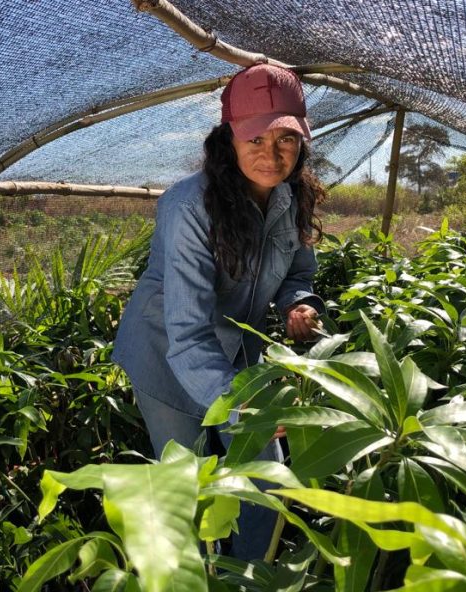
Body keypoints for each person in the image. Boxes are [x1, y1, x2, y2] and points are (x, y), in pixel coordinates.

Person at [112, 63, 324, 560]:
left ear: (302, 142)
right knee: (183, 484)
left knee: (267, 485)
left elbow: (298, 274)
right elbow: (186, 333)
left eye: (285, 141)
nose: (271, 156)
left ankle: (242, 574)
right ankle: (187, 571)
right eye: (256, 141)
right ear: (228, 139)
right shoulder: (189, 208)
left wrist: (299, 306)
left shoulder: (292, 199)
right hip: (166, 356)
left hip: (238, 351)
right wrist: (239, 406)